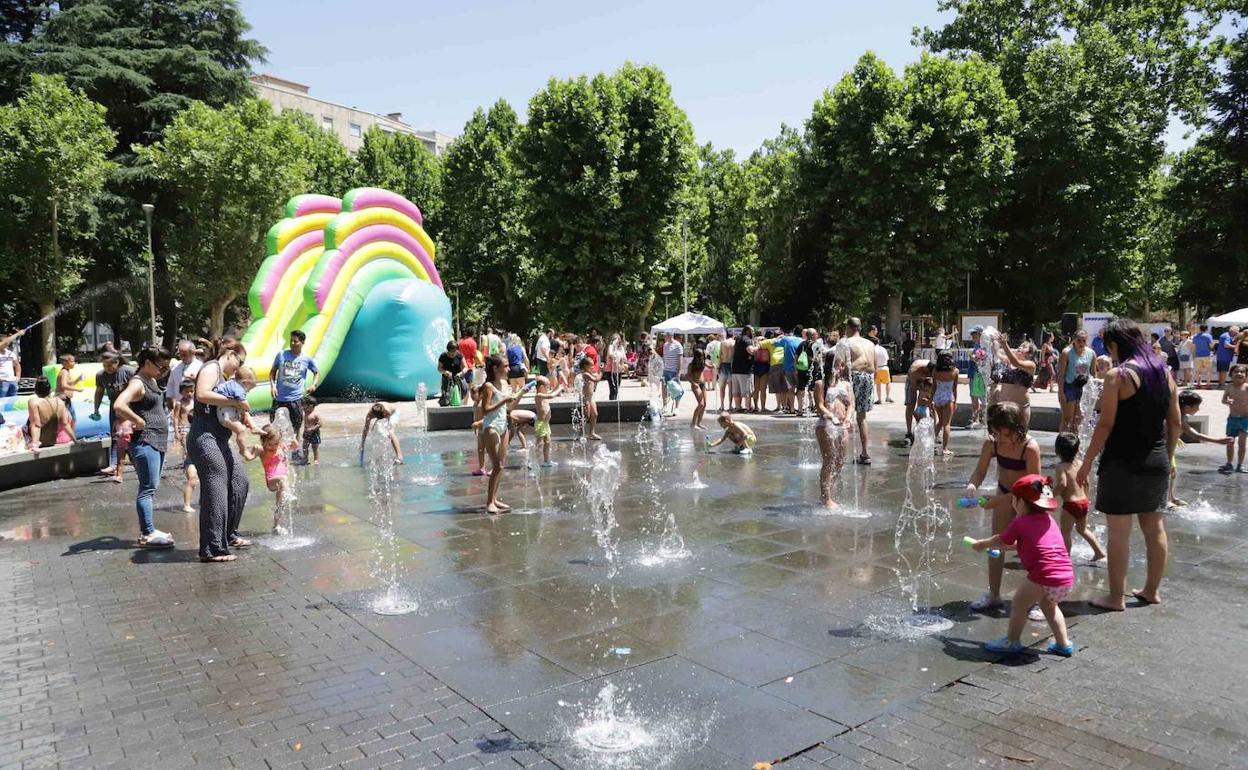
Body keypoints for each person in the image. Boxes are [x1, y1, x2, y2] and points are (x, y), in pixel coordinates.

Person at [1076, 319, 1180, 611]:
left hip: (1121, 461)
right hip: (1156, 459)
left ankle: (1116, 597)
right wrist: (1168, 457)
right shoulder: (1165, 374)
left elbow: (1105, 424)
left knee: (1119, 531)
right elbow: (1175, 422)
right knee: (1154, 527)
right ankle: (1151, 590)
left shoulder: (1117, 376)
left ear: (1113, 345)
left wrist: (1085, 463)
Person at [971, 474, 1076, 657]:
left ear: (1020, 502)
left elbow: (1000, 539)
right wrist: (1002, 549)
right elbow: (1024, 544)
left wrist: (982, 544)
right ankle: (1063, 643)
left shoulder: (1020, 522)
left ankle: (1012, 641)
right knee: (1050, 607)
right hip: (1064, 576)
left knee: (1019, 604)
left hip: (1043, 573)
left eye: (1013, 499)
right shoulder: (1049, 520)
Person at [965, 402, 1042, 612]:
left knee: (1033, 549)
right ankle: (994, 594)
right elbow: (980, 472)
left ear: (1018, 429)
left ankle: (1039, 599)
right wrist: (973, 485)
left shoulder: (1030, 448)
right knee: (995, 545)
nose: (1000, 438)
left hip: (1028, 502)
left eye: (1005, 434)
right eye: (996, 432)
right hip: (1004, 492)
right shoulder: (992, 443)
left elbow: (1032, 488)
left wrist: (999, 501)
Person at [189, 339, 253, 563]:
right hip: (205, 437)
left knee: (240, 481)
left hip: (220, 438)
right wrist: (235, 401)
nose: (240, 366)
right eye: (240, 360)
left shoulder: (224, 377)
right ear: (230, 354)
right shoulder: (211, 367)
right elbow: (202, 394)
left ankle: (228, 534)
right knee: (216, 489)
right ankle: (212, 548)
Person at [112, 347, 175, 549]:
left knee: (151, 487)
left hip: (156, 441)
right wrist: (138, 420)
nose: (162, 370)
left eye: (165, 367)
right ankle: (147, 532)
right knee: (147, 489)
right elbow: (119, 404)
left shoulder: (151, 380)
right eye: (160, 366)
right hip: (146, 442)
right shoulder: (138, 382)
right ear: (147, 362)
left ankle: (148, 530)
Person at [1172, 390, 1232, 505]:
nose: (1198, 409)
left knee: (1172, 473)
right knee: (1172, 472)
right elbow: (1196, 435)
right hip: (1165, 449)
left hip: (1169, 447)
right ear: (1188, 407)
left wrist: (1176, 438)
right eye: (1197, 406)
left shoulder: (1180, 415)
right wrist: (1218, 441)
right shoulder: (1179, 418)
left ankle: (1171, 497)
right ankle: (1168, 499)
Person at [478, 355, 521, 513]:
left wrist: (519, 396)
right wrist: (504, 401)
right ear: (496, 368)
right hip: (492, 427)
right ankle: (489, 502)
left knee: (501, 467)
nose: (508, 368)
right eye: (506, 365)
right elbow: (485, 410)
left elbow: (509, 406)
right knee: (497, 465)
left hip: (504, 426)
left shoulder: (504, 383)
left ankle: (495, 499)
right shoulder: (489, 386)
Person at [1053, 433, 1106, 561]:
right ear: (1077, 450)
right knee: (1082, 530)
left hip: (1070, 504)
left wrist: (1050, 496)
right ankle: (1099, 552)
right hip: (1083, 502)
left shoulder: (1061, 467)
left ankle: (1065, 559)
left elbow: (1062, 484)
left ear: (1057, 450)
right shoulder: (1081, 463)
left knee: (1065, 533)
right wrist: (1086, 499)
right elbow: (1086, 483)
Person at [812, 349, 853, 509]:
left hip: (842, 425)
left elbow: (850, 405)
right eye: (836, 363)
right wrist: (831, 416)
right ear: (829, 364)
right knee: (829, 460)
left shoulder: (846, 384)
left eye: (841, 364)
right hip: (825, 425)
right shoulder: (820, 384)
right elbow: (820, 405)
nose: (839, 367)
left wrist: (848, 419)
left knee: (840, 461)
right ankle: (825, 497)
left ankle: (829, 489)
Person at [269, 330, 319, 442]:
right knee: (275, 427)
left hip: (295, 399)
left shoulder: (306, 359)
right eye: (291, 340)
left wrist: (314, 384)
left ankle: (296, 452)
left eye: (295, 341)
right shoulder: (281, 355)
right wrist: (272, 386)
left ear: (302, 343)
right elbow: (272, 372)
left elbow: (317, 373)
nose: (292, 343)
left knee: (296, 427)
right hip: (279, 398)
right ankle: (278, 452)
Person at [92, 352, 136, 477]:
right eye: (105, 365)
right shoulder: (101, 375)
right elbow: (99, 392)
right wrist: (96, 409)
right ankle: (113, 465)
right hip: (115, 408)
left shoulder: (128, 372)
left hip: (131, 408)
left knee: (132, 435)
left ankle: (137, 461)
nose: (108, 368)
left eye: (110, 365)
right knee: (115, 435)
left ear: (117, 363)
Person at [841, 318, 876, 465]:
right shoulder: (870, 343)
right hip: (868, 376)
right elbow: (875, 366)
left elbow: (839, 366)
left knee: (844, 413)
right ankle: (865, 453)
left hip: (853, 376)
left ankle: (840, 453)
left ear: (849, 328)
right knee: (862, 416)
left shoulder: (846, 342)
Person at [250, 426, 293, 535]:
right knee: (283, 479)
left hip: (282, 484)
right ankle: (290, 493)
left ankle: (276, 525)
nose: (273, 447)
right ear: (263, 441)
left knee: (280, 505)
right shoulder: (261, 450)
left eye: (275, 444)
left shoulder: (281, 447)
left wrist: (292, 438)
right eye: (270, 444)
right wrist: (252, 449)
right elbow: (248, 458)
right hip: (272, 480)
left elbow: (295, 445)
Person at [214, 365, 262, 457]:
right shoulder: (238, 388)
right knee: (241, 430)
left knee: (244, 416)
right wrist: (248, 408)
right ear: (244, 383)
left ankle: (253, 427)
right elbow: (243, 402)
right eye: (249, 389)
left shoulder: (232, 383)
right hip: (226, 414)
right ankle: (243, 450)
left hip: (226, 411)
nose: (248, 392)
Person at [994, 341, 1038, 429]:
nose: (1020, 347)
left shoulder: (1031, 365)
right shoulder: (1008, 361)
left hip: (1020, 408)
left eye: (1024, 347)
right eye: (1020, 345)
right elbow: (996, 352)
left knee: (1020, 437)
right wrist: (993, 341)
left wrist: (1005, 345)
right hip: (1004, 407)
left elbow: (1016, 363)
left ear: (1030, 354)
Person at [1057, 331, 1094, 433]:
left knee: (1078, 420)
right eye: (1079, 341)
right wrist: (1061, 393)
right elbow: (1060, 375)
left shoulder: (1091, 353)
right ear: (1074, 340)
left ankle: (1075, 444)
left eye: (1084, 341)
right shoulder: (1066, 353)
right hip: (1069, 386)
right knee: (1067, 419)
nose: (1081, 343)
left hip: (1083, 387)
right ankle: (1063, 443)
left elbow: (1093, 373)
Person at [24, 377, 74, 450]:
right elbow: (65, 424)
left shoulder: (33, 402)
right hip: (53, 440)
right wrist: (75, 440)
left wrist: (35, 444)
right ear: (50, 390)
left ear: (35, 391)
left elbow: (36, 424)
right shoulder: (59, 402)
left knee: (22, 429)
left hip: (40, 441)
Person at [172, 379, 198, 513]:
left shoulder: (196, 402)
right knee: (189, 452)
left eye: (191, 391)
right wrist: (176, 432)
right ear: (181, 392)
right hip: (184, 428)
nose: (189, 393)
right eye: (186, 391)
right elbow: (176, 417)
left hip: (195, 428)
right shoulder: (179, 403)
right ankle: (187, 462)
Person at [1220, 363, 1248, 474]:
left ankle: (1240, 465)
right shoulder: (1229, 387)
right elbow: (1223, 400)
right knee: (1230, 442)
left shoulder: (1246, 387)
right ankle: (1229, 463)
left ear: (1246, 375)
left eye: (1242, 372)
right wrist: (1227, 401)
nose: (1239, 374)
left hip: (1245, 419)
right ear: (1231, 374)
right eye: (1236, 372)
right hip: (1232, 419)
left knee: (1242, 443)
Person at [531, 376, 563, 466]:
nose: (549, 388)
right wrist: (559, 389)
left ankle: (546, 461)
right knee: (539, 443)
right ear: (541, 387)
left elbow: (551, 392)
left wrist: (558, 384)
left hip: (545, 423)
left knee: (547, 442)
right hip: (541, 423)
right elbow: (552, 395)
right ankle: (533, 460)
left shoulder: (543, 395)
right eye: (548, 386)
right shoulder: (539, 396)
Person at [932, 351, 958, 456]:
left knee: (940, 422)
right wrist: (955, 401)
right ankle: (945, 449)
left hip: (937, 396)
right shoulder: (955, 371)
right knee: (947, 424)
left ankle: (930, 444)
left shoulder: (935, 371)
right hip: (948, 398)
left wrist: (931, 400)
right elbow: (954, 388)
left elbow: (934, 386)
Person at [903, 357, 934, 444]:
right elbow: (913, 390)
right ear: (926, 370)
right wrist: (916, 411)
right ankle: (909, 432)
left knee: (930, 403)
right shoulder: (914, 370)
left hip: (925, 380)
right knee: (910, 403)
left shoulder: (932, 368)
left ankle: (931, 430)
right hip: (912, 380)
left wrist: (930, 401)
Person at [164, 340, 203, 408]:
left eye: (184, 355)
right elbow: (171, 383)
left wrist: (196, 380)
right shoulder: (176, 366)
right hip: (178, 404)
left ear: (192, 353)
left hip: (194, 407)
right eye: (180, 354)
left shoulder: (201, 367)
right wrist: (169, 397)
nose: (182, 357)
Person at [730, 326, 755, 412]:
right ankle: (748, 408)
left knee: (736, 391)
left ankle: (738, 407)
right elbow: (751, 351)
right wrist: (758, 347)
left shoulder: (738, 339)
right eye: (752, 331)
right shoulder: (747, 339)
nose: (753, 333)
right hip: (745, 370)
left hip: (735, 369)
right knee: (746, 391)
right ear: (748, 331)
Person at [967, 326, 988, 427]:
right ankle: (976, 419)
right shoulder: (977, 345)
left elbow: (982, 361)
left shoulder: (984, 346)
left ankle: (982, 419)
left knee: (981, 397)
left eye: (974, 334)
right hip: (973, 374)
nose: (972, 336)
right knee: (974, 396)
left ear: (980, 334)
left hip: (978, 374)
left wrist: (973, 357)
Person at [578, 356, 602, 440]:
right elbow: (596, 380)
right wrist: (601, 372)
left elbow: (595, 377)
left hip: (591, 397)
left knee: (595, 414)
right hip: (585, 398)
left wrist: (597, 373)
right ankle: (580, 433)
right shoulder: (585, 374)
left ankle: (592, 433)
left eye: (593, 365)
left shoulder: (590, 373)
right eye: (590, 365)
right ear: (585, 366)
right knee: (586, 415)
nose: (592, 367)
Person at [660, 332, 684, 412]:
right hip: (666, 370)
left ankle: (676, 407)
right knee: (664, 388)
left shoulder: (678, 345)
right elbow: (664, 357)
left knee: (676, 389)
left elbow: (680, 359)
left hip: (674, 371)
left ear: (670, 336)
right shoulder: (665, 345)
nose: (664, 337)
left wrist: (679, 372)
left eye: (665, 336)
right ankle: (665, 405)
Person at [437, 340, 465, 406]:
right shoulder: (443, 356)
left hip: (458, 379)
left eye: (454, 352)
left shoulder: (459, 355)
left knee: (459, 397)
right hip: (446, 380)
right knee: (446, 398)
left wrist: (461, 373)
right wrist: (445, 372)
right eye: (450, 352)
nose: (452, 354)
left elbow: (465, 367)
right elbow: (439, 368)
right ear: (448, 350)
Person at [459, 325, 481, 404]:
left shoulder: (461, 342)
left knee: (461, 385)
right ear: (473, 333)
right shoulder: (473, 343)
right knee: (468, 387)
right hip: (469, 366)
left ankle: (460, 402)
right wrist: (481, 363)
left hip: (461, 366)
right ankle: (465, 403)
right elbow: (474, 355)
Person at [688, 349, 708, 430]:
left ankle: (699, 423)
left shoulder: (703, 363)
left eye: (703, 356)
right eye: (701, 356)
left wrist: (714, 366)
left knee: (705, 404)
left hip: (703, 384)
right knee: (701, 404)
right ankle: (693, 424)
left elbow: (710, 366)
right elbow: (688, 376)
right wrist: (693, 383)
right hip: (695, 384)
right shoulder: (691, 365)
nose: (702, 358)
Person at [0, 330, 22, 398]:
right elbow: (6, 342)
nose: (7, 343)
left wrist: (18, 377)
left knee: (12, 402)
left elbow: (17, 365)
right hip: (2, 382)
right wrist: (18, 333)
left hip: (12, 381)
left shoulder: (10, 353)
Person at [301, 395, 322, 466]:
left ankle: (316, 460)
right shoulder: (306, 413)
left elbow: (320, 424)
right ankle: (305, 459)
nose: (303, 408)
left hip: (314, 433)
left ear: (310, 406)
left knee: (314, 447)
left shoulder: (315, 415)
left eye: (304, 406)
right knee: (304, 446)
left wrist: (312, 428)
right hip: (306, 433)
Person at [605, 333, 627, 400]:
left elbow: (624, 357)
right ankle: (612, 403)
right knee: (613, 388)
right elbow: (610, 354)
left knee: (617, 387)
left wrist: (622, 361)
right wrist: (614, 347)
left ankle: (614, 402)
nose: (615, 340)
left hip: (619, 369)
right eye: (614, 339)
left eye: (616, 339)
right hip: (610, 370)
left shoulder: (621, 348)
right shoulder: (611, 346)